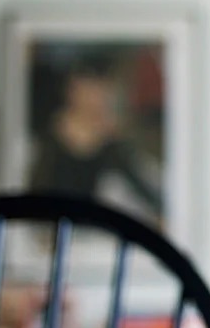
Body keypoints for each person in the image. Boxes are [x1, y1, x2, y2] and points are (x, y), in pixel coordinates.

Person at [29, 61, 163, 217]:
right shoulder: (46, 140)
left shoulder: (113, 147)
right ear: (73, 90)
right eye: (90, 87)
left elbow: (144, 191)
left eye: (101, 88)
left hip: (94, 232)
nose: (98, 96)